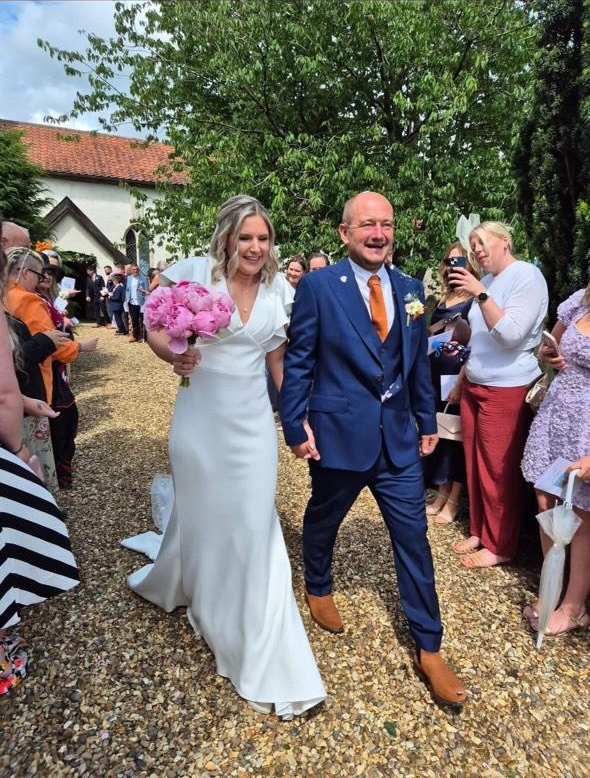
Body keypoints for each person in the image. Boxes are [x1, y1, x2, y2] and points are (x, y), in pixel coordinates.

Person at [123, 195, 326, 719]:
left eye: (263, 238)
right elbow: (154, 327)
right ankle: (206, 596)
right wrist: (172, 352)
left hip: (253, 423)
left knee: (255, 523)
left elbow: (278, 360)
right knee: (209, 517)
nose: (256, 247)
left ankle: (258, 636)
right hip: (200, 420)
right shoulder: (195, 273)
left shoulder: (281, 289)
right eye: (246, 238)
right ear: (228, 238)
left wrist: (296, 418)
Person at [280, 191, 467, 707]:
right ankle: (318, 583)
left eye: (385, 224)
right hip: (339, 433)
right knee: (323, 516)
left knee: (414, 538)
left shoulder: (410, 288)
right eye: (367, 225)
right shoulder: (319, 287)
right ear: (345, 233)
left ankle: (429, 646)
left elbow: (415, 367)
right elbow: (300, 361)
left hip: (399, 441)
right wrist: (295, 425)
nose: (378, 233)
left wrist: (426, 419)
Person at [0, 218, 79, 693]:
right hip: (23, 412)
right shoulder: (23, 304)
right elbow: (10, 385)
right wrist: (20, 448)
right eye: (37, 266)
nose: (44, 276)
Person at [447, 221, 548, 568]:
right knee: (474, 464)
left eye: (480, 242)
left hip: (506, 387)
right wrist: (461, 372)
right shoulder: (488, 281)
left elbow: (510, 335)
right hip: (476, 382)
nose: (475, 249)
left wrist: (480, 294)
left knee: (497, 470)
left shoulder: (526, 277)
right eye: (471, 243)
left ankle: (500, 545)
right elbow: (480, 338)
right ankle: (479, 531)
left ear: (504, 241)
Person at [521, 285, 590, 636]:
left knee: (580, 513)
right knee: (546, 497)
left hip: (587, 428)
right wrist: (547, 356)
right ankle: (551, 589)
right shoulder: (580, 301)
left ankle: (574, 607)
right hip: (557, 412)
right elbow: (545, 351)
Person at [423, 242, 479, 524]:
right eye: (448, 261)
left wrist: (460, 379)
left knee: (455, 437)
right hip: (435, 375)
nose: (451, 267)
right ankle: (440, 492)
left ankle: (454, 500)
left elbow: (475, 344)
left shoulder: (476, 300)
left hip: (457, 375)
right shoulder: (444, 299)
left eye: (458, 261)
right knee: (441, 431)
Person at [124, 264, 148, 342]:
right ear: (131, 270)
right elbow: (127, 289)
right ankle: (135, 336)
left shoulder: (144, 278)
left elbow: (147, 290)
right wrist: (126, 298)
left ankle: (142, 336)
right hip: (131, 302)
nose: (136, 271)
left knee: (141, 319)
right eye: (134, 269)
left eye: (137, 269)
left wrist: (144, 294)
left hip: (141, 302)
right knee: (134, 320)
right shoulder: (129, 278)